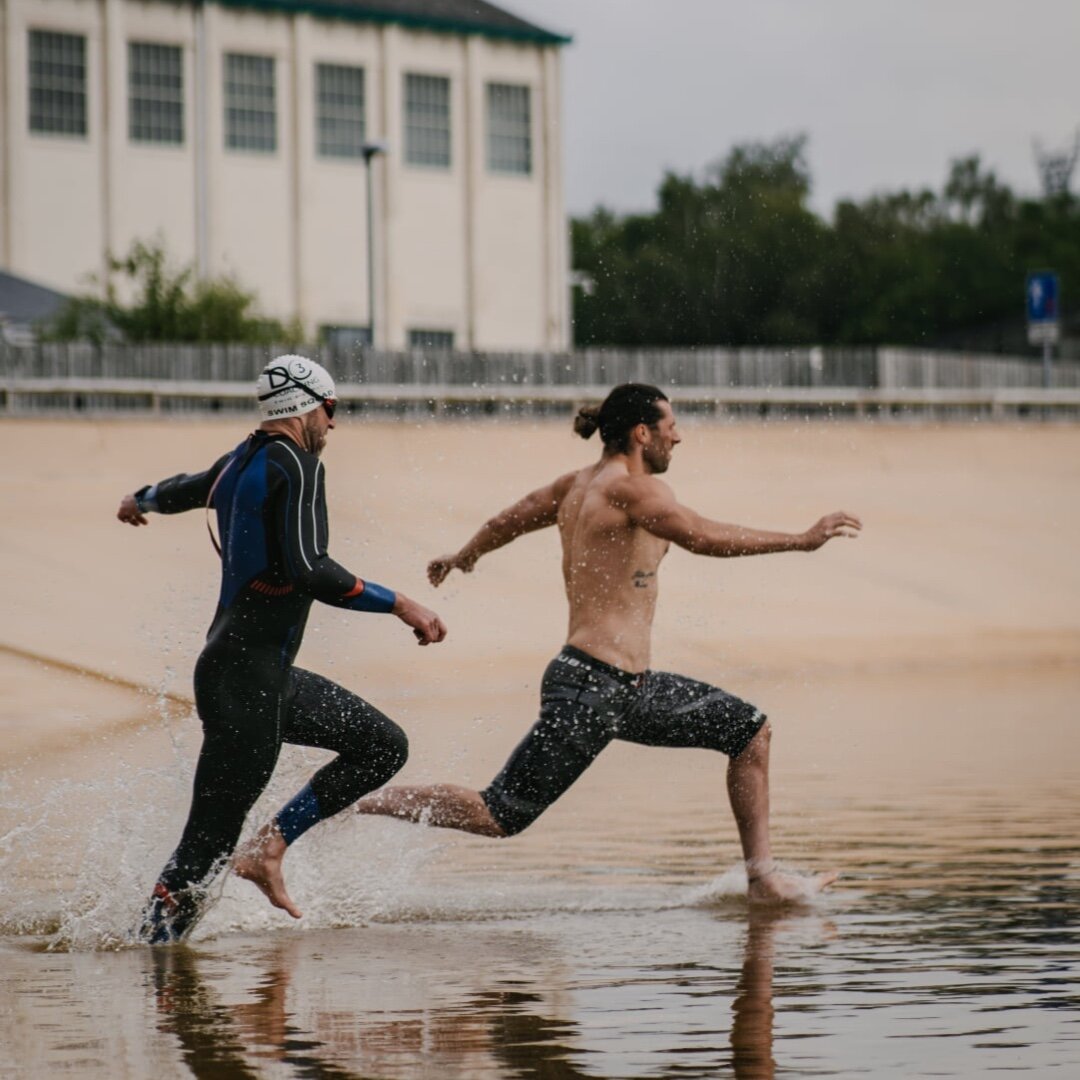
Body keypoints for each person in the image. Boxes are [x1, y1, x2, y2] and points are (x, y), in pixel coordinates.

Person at [341, 383, 861, 902]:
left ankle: (762, 879)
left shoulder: (576, 485)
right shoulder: (632, 490)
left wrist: (465, 555)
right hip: (593, 687)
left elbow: (508, 521)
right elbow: (702, 535)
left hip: (621, 686)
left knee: (749, 731)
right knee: (498, 814)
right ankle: (355, 800)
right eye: (670, 427)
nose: (677, 438)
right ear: (642, 433)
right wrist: (800, 539)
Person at [117, 355, 447, 942]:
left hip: (254, 676)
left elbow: (181, 490)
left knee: (380, 745)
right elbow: (309, 570)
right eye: (332, 409)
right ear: (307, 405)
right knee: (206, 845)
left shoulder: (238, 462)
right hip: (246, 683)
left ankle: (269, 848)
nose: (334, 424)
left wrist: (139, 499)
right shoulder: (296, 465)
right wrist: (401, 603)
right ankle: (152, 959)